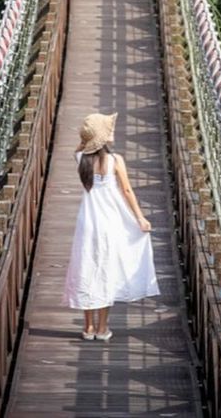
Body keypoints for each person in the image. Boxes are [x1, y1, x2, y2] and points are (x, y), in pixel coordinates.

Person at [62, 111, 159, 340]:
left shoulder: (81, 160)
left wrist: (89, 138)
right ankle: (103, 328)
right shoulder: (115, 161)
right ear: (102, 137)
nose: (112, 132)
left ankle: (88, 328)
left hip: (87, 223)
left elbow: (80, 148)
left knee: (87, 268)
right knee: (105, 271)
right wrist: (140, 218)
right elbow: (126, 191)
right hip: (109, 223)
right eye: (108, 130)